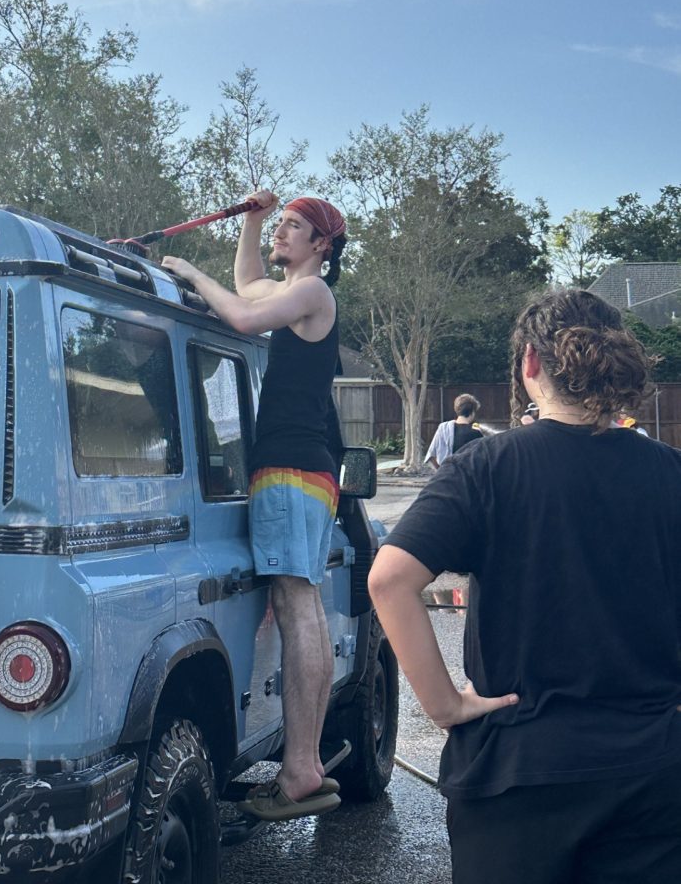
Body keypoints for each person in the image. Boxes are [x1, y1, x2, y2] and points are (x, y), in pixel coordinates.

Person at [368, 288, 681, 884]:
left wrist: (443, 705)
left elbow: (389, 579)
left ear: (530, 364)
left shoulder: (486, 467)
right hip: (652, 770)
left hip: (516, 771)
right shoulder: (671, 473)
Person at [162, 189, 347, 822]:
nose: (283, 235)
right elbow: (247, 285)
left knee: (297, 606)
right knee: (306, 607)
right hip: (303, 469)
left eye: (294, 227)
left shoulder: (315, 293)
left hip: (292, 468)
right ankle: (308, 764)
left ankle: (298, 768)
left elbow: (239, 316)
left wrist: (187, 271)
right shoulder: (291, 292)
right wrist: (254, 222)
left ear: (321, 245)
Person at [424, 393, 483, 469]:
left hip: (447, 476)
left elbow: (431, 456)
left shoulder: (443, 428)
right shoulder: (476, 433)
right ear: (472, 412)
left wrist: (441, 471)